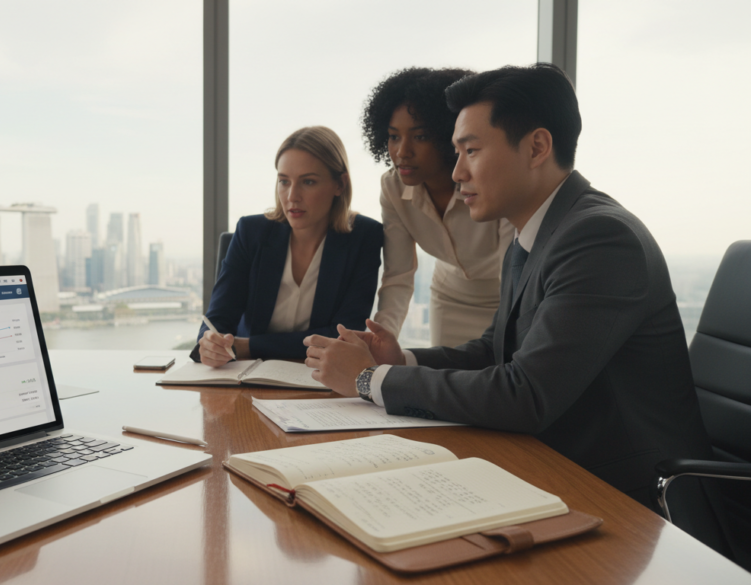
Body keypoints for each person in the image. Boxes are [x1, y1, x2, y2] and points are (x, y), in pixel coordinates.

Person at [304, 64, 712, 511]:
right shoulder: (536, 232)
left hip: (633, 497)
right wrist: (400, 359)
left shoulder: (599, 239)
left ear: (537, 147)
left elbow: (525, 395)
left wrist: (369, 380)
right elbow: (497, 349)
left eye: (471, 151)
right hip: (561, 464)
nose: (457, 173)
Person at [194, 126, 383, 366]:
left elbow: (345, 336)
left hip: (320, 378)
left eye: (309, 182)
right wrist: (210, 343)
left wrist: (249, 346)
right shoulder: (251, 232)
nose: (292, 196)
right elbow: (215, 322)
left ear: (340, 184)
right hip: (244, 376)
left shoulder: (364, 237)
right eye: (284, 181)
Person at [364, 68, 513, 346]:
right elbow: (398, 275)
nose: (402, 152)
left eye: (419, 137)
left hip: (507, 299)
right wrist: (380, 340)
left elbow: (513, 271)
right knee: (447, 382)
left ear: (449, 137)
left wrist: (511, 326)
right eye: (394, 136)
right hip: (450, 299)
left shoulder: (490, 181)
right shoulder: (393, 189)